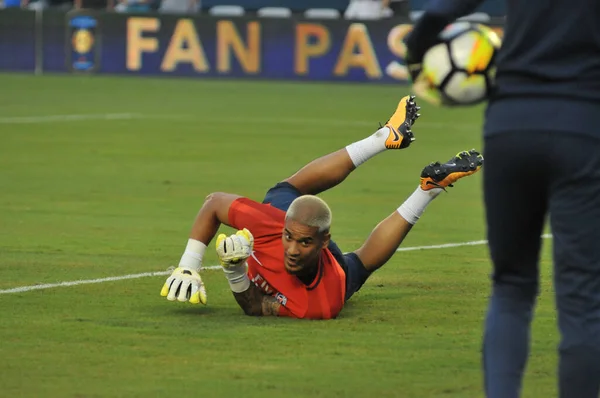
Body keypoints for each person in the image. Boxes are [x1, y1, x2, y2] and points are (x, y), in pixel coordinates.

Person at [403, 1, 600, 397]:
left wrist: (416, 54)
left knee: (511, 285)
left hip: (511, 126)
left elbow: (437, 13)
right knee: (582, 296)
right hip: (583, 127)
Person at [160, 95, 484, 319]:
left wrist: (236, 273)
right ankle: (399, 153)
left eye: (303, 242)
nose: (292, 249)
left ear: (323, 243)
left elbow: (257, 308)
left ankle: (426, 187)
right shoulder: (271, 224)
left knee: (362, 263)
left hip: (326, 274)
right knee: (285, 191)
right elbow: (214, 203)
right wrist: (190, 264)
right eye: (290, 237)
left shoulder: (321, 302)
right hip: (294, 223)